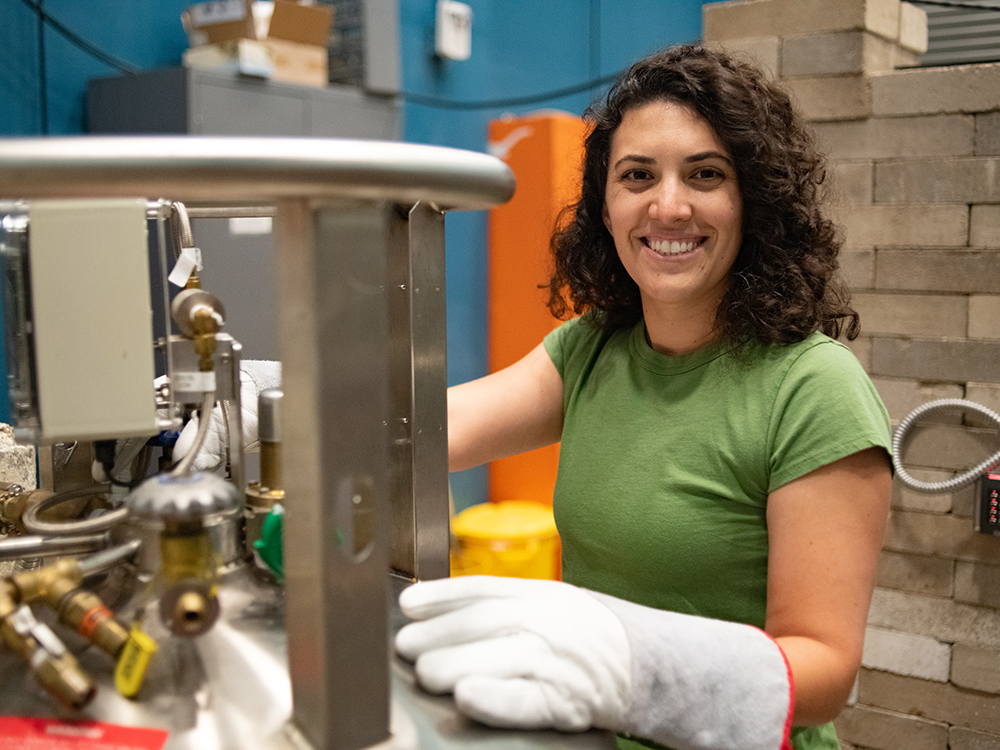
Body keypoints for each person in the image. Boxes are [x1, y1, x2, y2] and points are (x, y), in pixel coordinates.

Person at [394, 44, 892, 750]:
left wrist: (635, 668)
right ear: (606, 204)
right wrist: (277, 409)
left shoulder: (813, 390)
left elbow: (823, 673)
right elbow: (424, 430)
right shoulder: (593, 347)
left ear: (753, 199)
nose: (668, 205)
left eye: (706, 175)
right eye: (637, 176)